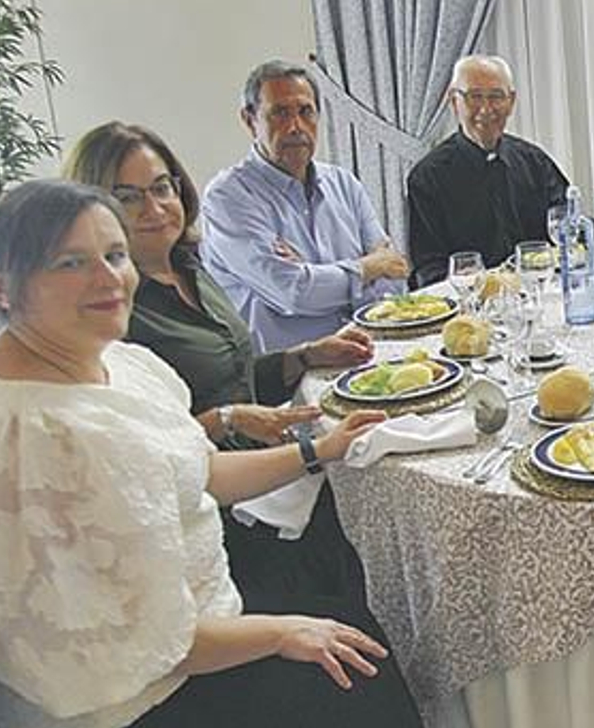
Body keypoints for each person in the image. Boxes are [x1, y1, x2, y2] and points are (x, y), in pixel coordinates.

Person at [0, 180, 513, 728]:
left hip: (165, 623)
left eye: (113, 255)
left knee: (346, 611)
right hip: (102, 711)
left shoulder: (83, 359)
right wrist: (281, 631)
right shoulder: (47, 440)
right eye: (69, 264)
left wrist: (319, 449)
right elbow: (159, 643)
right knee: (343, 663)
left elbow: (198, 468)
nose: (108, 278)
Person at [64, 121, 378, 610]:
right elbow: (133, 456)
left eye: (162, 188)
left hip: (267, 465)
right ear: (93, 207)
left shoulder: (190, 267)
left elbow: (235, 372)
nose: (154, 208)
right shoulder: (112, 311)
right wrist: (226, 420)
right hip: (221, 508)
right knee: (365, 522)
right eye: (127, 197)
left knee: (374, 486)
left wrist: (306, 355)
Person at [200, 59, 410, 351]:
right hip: (289, 376)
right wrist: (366, 268)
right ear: (250, 121)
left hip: (368, 348)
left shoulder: (343, 183)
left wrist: (321, 280)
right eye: (280, 113)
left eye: (305, 112)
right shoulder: (228, 198)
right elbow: (293, 293)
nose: (295, 126)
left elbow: (395, 276)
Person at [406, 54, 570, 284]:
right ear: (454, 102)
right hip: (471, 307)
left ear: (511, 102)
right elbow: (429, 267)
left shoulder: (535, 162)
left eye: (496, 96)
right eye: (474, 97)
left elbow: (567, 222)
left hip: (540, 295)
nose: (486, 109)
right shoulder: (427, 177)